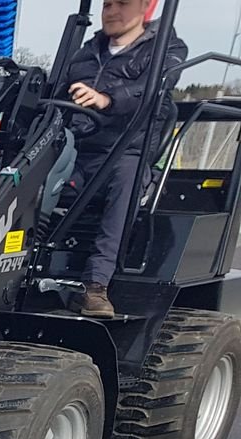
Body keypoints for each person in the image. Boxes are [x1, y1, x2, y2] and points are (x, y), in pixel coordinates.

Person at [63, 0, 186, 317]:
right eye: (107, 4)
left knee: (126, 181)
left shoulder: (165, 49)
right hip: (80, 151)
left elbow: (153, 88)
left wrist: (108, 98)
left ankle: (96, 286)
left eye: (122, 3)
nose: (111, 11)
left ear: (145, 7)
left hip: (128, 151)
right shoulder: (84, 53)